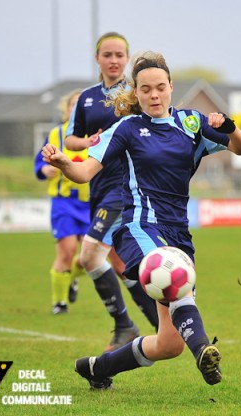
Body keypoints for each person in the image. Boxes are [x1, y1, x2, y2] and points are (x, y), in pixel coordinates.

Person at [42, 51, 241, 388]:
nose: (154, 95)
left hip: (178, 233)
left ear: (171, 87)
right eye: (145, 89)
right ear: (135, 94)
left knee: (168, 344)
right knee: (177, 282)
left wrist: (230, 127)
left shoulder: (191, 123)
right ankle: (204, 351)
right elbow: (83, 172)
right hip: (139, 227)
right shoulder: (127, 128)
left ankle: (98, 368)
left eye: (160, 87)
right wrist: (64, 162)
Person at [65, 32, 159, 351]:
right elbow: (70, 140)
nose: (114, 60)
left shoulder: (136, 94)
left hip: (125, 188)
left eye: (120, 55)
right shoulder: (86, 98)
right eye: (108, 55)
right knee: (120, 266)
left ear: (127, 58)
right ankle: (165, 328)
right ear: (98, 59)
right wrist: (87, 142)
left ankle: (124, 326)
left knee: (89, 256)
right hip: (98, 186)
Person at [34, 89, 89, 315]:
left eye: (81, 106)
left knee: (90, 256)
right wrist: (43, 168)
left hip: (91, 203)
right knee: (66, 252)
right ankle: (60, 303)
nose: (76, 110)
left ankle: (72, 277)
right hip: (64, 202)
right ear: (66, 110)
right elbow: (39, 161)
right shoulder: (57, 134)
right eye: (72, 105)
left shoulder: (95, 135)